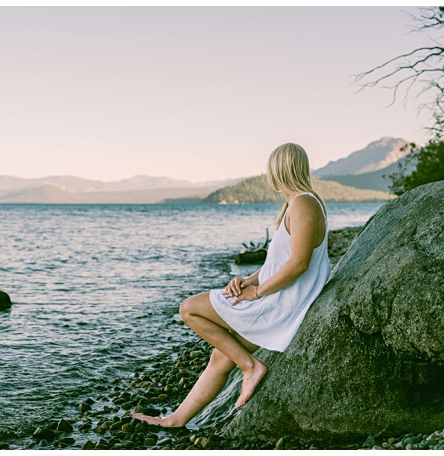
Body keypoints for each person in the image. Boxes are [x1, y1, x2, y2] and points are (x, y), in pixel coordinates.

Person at [132, 143, 331, 427]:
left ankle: (250, 366)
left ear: (277, 170)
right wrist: (247, 280)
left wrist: (257, 293)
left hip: (281, 306)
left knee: (189, 309)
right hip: (280, 303)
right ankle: (174, 420)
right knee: (221, 355)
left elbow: (299, 263)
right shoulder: (297, 204)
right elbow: (279, 263)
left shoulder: (303, 204)